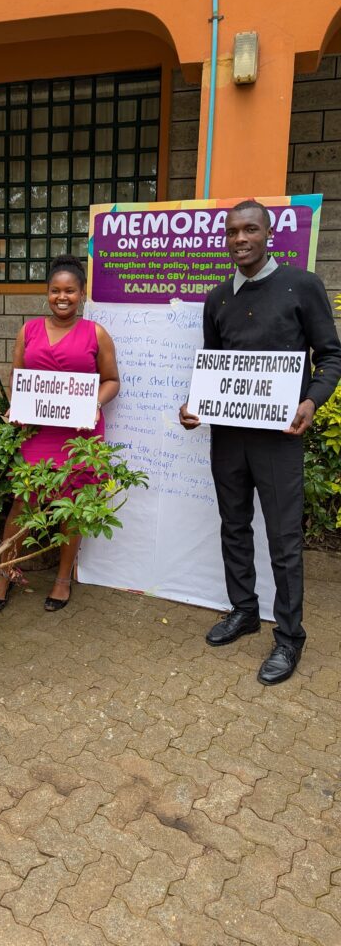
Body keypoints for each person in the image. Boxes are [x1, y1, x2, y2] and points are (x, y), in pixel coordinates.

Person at [180, 200, 341, 685]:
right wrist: (194, 406)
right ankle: (244, 610)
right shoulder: (217, 298)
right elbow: (214, 365)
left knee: (284, 539)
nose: (240, 239)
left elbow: (331, 356)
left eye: (250, 229)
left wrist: (311, 401)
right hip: (228, 438)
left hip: (279, 439)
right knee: (234, 526)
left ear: (268, 234)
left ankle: (289, 637)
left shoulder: (301, 285)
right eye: (232, 231)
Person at [0, 254, 120, 613]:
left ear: (82, 293)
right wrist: (16, 406)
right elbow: (17, 378)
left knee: (71, 508)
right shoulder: (28, 331)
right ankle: (4, 575)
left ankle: (62, 579)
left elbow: (112, 381)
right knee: (22, 503)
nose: (63, 297)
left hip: (78, 436)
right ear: (47, 293)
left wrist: (95, 404)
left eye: (70, 291)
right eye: (55, 291)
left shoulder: (96, 333)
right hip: (38, 431)